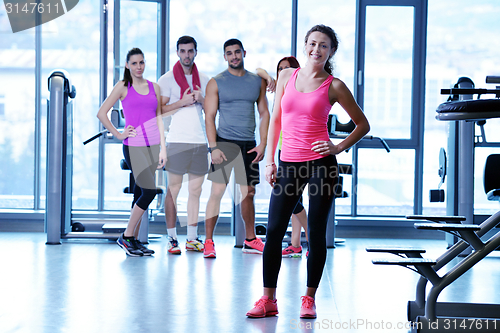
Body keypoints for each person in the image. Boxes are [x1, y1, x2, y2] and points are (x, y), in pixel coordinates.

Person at [246, 25, 370, 318]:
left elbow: (363, 125)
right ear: (305, 46)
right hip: (288, 164)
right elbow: (276, 118)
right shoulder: (287, 75)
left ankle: (309, 299)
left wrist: (337, 148)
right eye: (312, 44)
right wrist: (271, 161)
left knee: (315, 233)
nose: (317, 50)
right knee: (275, 230)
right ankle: (268, 300)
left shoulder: (334, 85)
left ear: (331, 51)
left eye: (323, 46)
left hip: (321, 166)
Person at [203, 38, 270, 258]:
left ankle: (250, 240)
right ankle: (209, 242)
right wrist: (213, 148)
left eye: (237, 52)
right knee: (217, 192)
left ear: (244, 53)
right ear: (224, 56)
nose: (234, 56)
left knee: (248, 193)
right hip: (224, 143)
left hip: (248, 144)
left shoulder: (256, 81)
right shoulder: (216, 82)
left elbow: (264, 113)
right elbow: (210, 117)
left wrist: (262, 143)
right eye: (229, 53)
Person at [97, 47, 166, 257]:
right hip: (133, 147)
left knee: (138, 193)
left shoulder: (154, 87)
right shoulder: (123, 87)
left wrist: (163, 148)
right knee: (149, 192)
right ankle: (126, 237)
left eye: (142, 62)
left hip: (153, 146)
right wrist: (119, 134)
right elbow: (101, 113)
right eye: (134, 63)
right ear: (127, 65)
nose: (138, 67)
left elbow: (159, 119)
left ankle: (134, 241)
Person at [157, 36, 210, 255]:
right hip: (176, 141)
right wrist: (182, 102)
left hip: (199, 141)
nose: (186, 55)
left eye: (190, 51)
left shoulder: (205, 80)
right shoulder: (167, 79)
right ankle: (171, 239)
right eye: (182, 51)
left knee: (195, 192)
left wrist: (201, 99)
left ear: (196, 52)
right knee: (173, 191)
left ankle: (191, 238)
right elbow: (159, 111)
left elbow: (212, 112)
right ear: (177, 53)